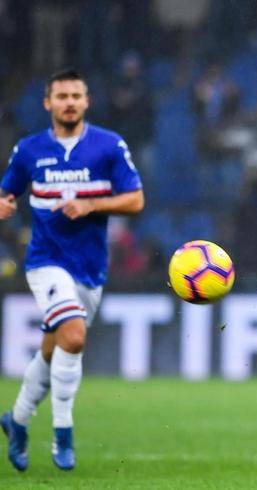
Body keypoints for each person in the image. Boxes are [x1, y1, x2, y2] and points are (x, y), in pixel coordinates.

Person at [0, 69, 145, 471]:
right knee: (75, 336)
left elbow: (135, 200)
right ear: (48, 102)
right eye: (61, 96)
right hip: (45, 261)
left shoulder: (108, 146)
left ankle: (17, 419)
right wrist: (4, 203)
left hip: (90, 269)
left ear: (86, 102)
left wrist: (92, 204)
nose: (69, 103)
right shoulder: (29, 150)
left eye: (75, 96)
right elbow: (7, 191)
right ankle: (63, 434)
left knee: (54, 350)